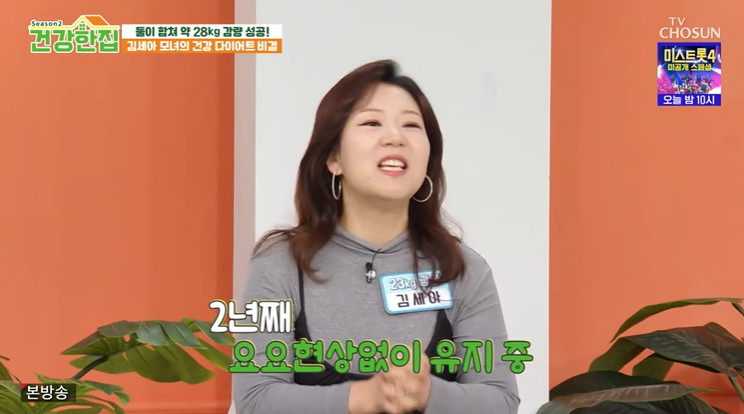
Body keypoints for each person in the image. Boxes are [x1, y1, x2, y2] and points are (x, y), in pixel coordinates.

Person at [232, 59, 520, 414]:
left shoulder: (464, 269)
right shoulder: (278, 265)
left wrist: (428, 395)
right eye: (372, 122)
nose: (395, 137)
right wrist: (366, 397)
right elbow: (255, 399)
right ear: (334, 157)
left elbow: (501, 399)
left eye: (411, 125)